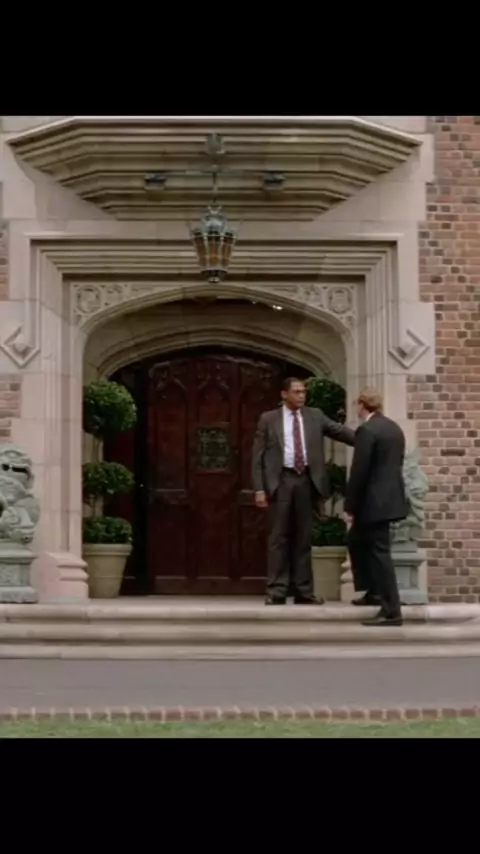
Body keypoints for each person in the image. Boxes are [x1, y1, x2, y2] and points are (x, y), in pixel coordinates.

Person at [252, 377, 355, 605]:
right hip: (281, 481)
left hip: (306, 480)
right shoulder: (269, 419)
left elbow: (339, 431)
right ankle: (277, 591)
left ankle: (304, 591)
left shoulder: (315, 415)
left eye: (303, 392)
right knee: (278, 538)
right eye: (296, 392)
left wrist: (370, 438)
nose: (301, 395)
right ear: (284, 394)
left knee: (303, 538)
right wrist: (259, 489)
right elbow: (257, 457)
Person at [344, 388, 408, 626]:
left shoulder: (367, 430)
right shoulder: (393, 428)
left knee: (380, 554)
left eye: (357, 405)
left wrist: (350, 505)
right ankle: (373, 592)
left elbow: (359, 470)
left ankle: (392, 611)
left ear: (361, 405)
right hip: (389, 499)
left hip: (372, 502)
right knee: (356, 541)